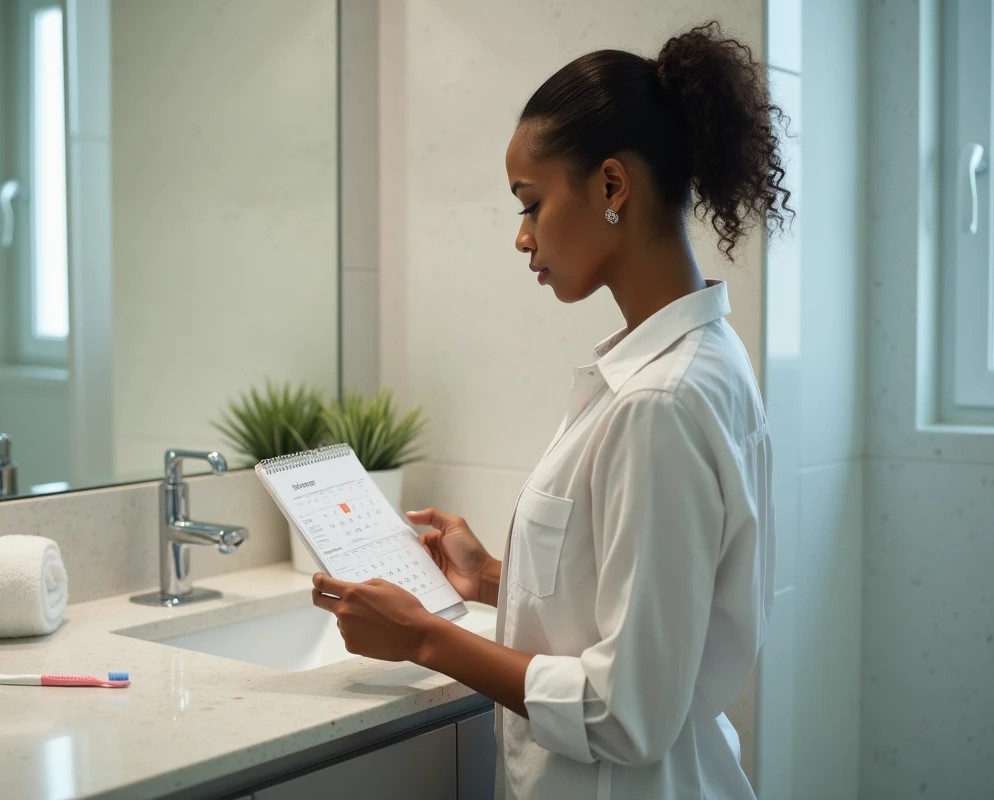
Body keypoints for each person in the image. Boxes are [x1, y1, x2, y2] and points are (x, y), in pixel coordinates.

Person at [311, 21, 790, 800]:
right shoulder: (697, 363)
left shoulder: (659, 403)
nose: (522, 237)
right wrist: (492, 579)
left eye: (530, 203)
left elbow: (627, 711)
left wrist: (423, 637)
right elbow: (640, 614)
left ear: (610, 187)